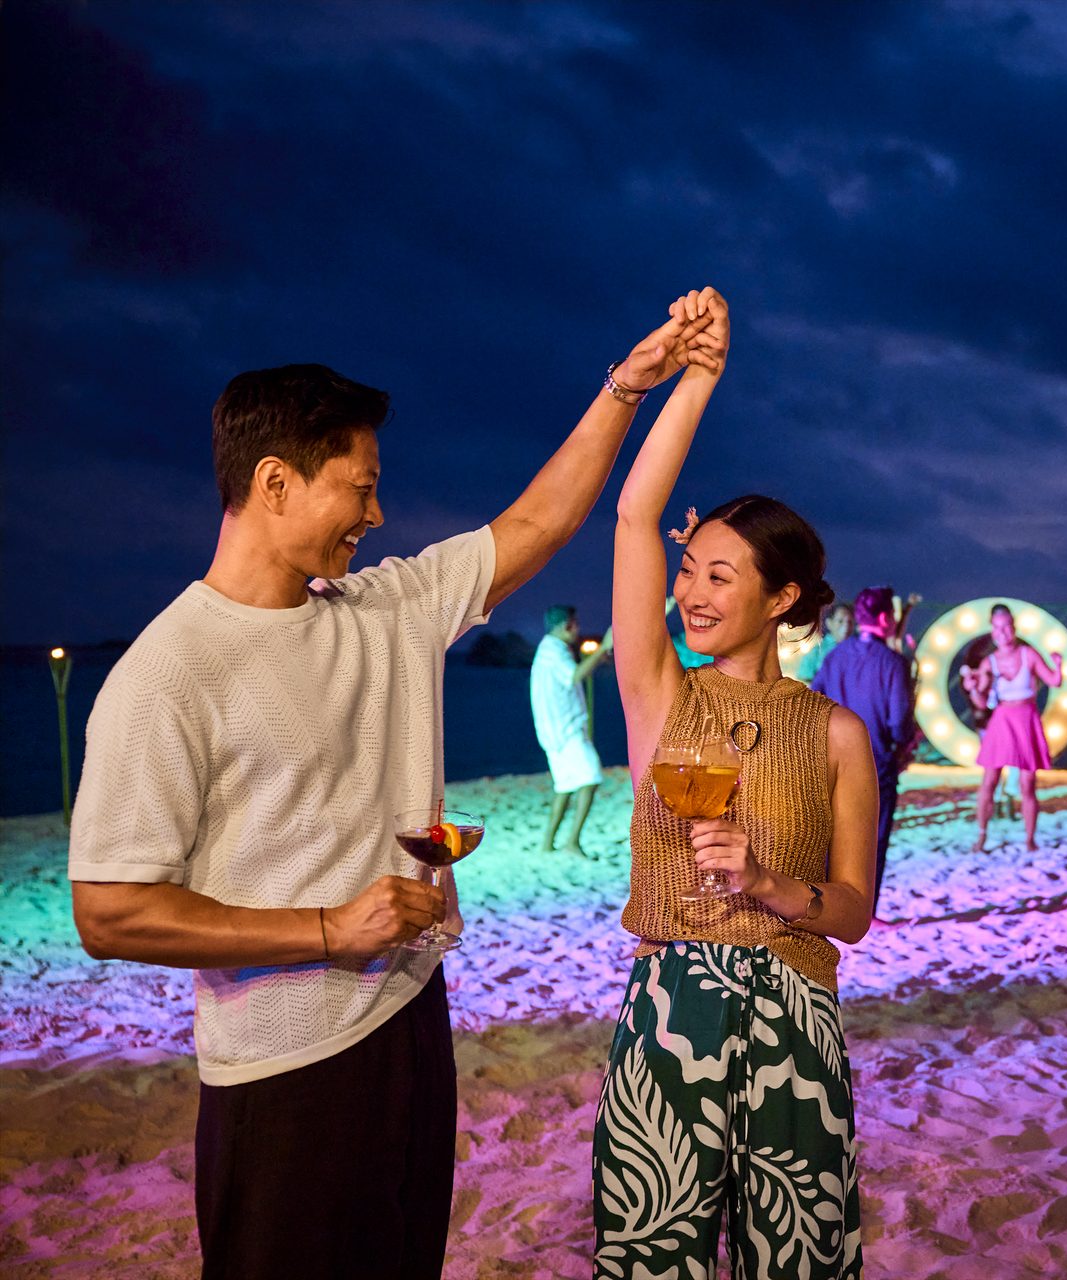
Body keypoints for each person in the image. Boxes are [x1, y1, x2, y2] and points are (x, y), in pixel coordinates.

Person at [66, 300, 708, 1278]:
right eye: (358, 488)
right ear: (274, 483)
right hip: (281, 1070)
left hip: (412, 1016)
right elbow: (110, 910)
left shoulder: (386, 608)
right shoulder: (165, 674)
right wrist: (329, 929)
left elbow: (541, 520)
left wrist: (628, 384)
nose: (376, 514)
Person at [603, 288, 872, 1275]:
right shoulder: (660, 695)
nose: (693, 591)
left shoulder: (838, 732)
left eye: (723, 576)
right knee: (650, 1253)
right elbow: (635, 518)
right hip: (672, 1004)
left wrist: (768, 885)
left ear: (782, 596)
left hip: (798, 1013)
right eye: (692, 570)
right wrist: (698, 377)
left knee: (796, 1259)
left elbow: (850, 909)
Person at [813, 585, 916, 901]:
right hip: (877, 763)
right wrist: (905, 744)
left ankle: (827, 902)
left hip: (832, 762)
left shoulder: (836, 656)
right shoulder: (893, 662)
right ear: (885, 617)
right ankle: (866, 911)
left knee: (832, 837)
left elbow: (814, 700)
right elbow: (899, 722)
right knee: (874, 839)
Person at [972, 604, 1066, 851]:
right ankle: (981, 835)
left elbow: (1054, 681)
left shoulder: (1028, 654)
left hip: (1026, 718)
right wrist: (973, 687)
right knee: (990, 780)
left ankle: (1030, 838)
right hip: (1002, 719)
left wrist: (1058, 664)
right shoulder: (988, 662)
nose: (1002, 632)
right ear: (991, 630)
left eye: (1006, 626)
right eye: (997, 627)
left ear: (1014, 627)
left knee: (1027, 783)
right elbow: (981, 703)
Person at [531, 605, 612, 855]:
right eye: (575, 624)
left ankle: (548, 843)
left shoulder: (549, 649)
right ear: (567, 625)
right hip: (565, 731)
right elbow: (574, 675)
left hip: (554, 730)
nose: (578, 628)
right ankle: (572, 841)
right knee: (591, 778)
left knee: (565, 786)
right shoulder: (554, 651)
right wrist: (602, 648)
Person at [791, 601, 853, 683]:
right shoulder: (817, 652)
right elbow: (804, 682)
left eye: (850, 622)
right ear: (829, 623)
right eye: (840, 621)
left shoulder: (856, 650)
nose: (846, 626)